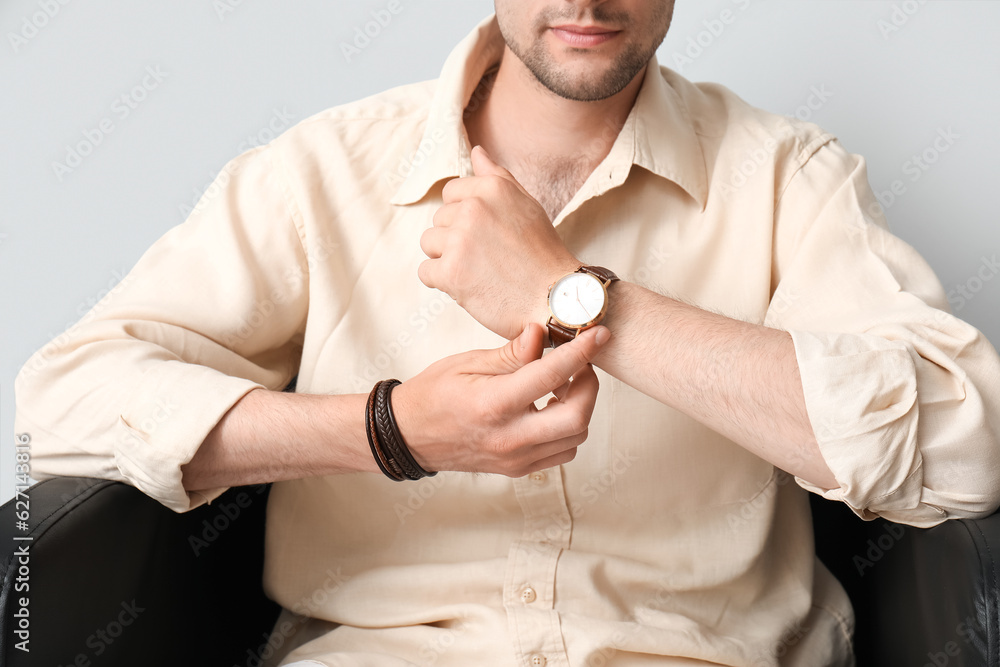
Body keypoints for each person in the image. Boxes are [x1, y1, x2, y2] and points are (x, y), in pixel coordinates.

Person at [15, 1, 1000, 665]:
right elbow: (65, 403)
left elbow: (963, 446)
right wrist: (387, 430)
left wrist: (584, 298)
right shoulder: (319, 173)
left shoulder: (789, 176)